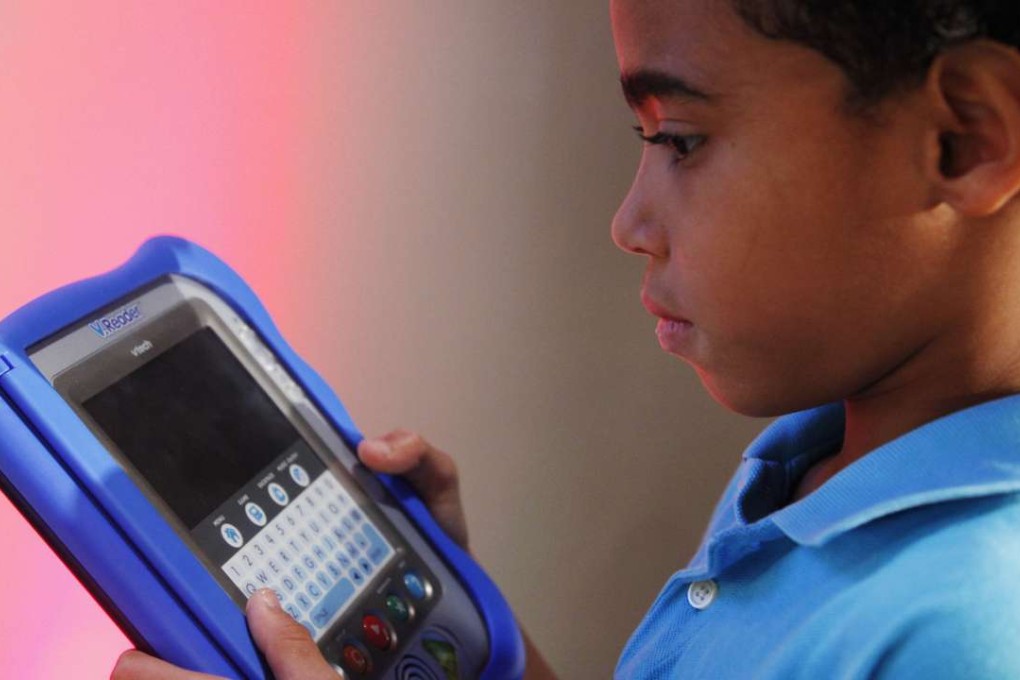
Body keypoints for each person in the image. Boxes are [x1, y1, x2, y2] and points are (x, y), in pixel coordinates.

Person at [112, 0, 1020, 677]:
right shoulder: (821, 466)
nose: (629, 221)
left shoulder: (970, 629)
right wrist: (474, 637)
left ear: (964, 139)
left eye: (683, 141)